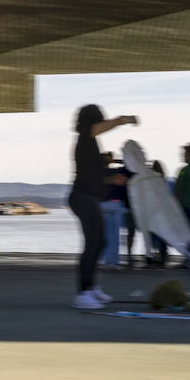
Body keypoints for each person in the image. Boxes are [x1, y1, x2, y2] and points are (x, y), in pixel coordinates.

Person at [69, 105, 137, 311]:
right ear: (93, 121)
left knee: (100, 242)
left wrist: (112, 179)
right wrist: (123, 119)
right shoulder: (85, 137)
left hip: (88, 197)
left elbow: (93, 175)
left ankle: (91, 287)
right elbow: (96, 128)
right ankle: (83, 293)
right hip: (82, 198)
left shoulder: (90, 143)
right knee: (92, 244)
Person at [100, 159, 132, 269]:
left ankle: (106, 261)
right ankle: (113, 261)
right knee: (115, 235)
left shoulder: (102, 173)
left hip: (104, 205)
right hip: (117, 205)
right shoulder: (120, 171)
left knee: (108, 234)